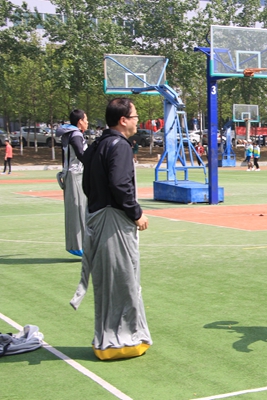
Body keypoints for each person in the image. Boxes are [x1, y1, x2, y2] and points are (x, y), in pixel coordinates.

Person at [70, 98, 151, 361]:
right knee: (124, 281)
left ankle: (112, 338)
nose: (137, 121)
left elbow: (87, 185)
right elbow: (119, 184)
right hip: (114, 223)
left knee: (109, 283)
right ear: (123, 120)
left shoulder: (97, 145)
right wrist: (136, 213)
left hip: (97, 218)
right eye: (135, 117)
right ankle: (121, 341)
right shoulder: (119, 146)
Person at [56, 109, 88, 257]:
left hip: (71, 175)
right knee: (79, 210)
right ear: (80, 121)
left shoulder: (70, 134)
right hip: (75, 176)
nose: (87, 122)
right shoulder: (75, 135)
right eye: (86, 119)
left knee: (77, 210)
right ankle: (80, 246)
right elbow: (81, 155)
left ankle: (78, 245)